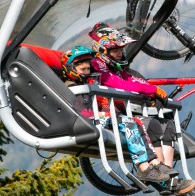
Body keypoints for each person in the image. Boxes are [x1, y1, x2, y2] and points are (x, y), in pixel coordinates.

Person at [88, 22, 195, 196]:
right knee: (135, 123)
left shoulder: (115, 69)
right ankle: (151, 171)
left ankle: (166, 176)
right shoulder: (97, 66)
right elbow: (121, 85)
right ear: (102, 51)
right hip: (101, 116)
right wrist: (152, 90)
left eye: (120, 49)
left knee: (163, 124)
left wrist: (153, 92)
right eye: (115, 50)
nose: (119, 53)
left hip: (116, 116)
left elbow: (132, 81)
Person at [61, 45, 174, 184]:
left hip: (100, 118)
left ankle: (157, 165)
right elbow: (81, 111)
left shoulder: (91, 82)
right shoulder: (72, 87)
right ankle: (144, 168)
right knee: (129, 123)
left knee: (139, 123)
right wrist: (102, 114)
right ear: (71, 68)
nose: (85, 66)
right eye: (79, 64)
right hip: (87, 121)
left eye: (87, 63)